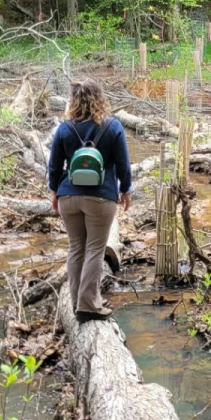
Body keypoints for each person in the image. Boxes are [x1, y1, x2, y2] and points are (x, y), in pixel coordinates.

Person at [48, 79, 132, 322]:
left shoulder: (64, 129)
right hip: (101, 197)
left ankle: (77, 302)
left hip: (68, 196)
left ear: (74, 100)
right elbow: (124, 165)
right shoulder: (113, 126)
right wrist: (125, 190)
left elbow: (54, 166)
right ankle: (89, 305)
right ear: (100, 98)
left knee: (76, 248)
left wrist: (55, 192)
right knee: (95, 249)